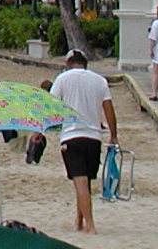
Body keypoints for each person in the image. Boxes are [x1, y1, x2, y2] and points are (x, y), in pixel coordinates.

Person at [49, 50, 118, 234]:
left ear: (68, 64)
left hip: (71, 136)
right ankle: (78, 221)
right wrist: (113, 135)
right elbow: (109, 109)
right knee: (85, 182)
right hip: (94, 138)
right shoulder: (99, 80)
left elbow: (51, 105)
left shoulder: (62, 79)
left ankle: (90, 225)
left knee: (80, 182)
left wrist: (40, 131)